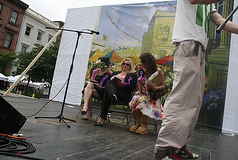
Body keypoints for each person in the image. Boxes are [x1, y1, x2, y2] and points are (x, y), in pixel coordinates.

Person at [153, 0, 238, 160]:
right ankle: (165, 149)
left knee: (193, 101)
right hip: (188, 44)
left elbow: (220, 21)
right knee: (182, 98)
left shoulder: (208, 5)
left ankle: (178, 147)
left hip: (199, 48)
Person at [129, 52, 166, 135]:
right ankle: (137, 123)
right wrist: (139, 90)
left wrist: (155, 87)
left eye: (143, 62)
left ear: (148, 62)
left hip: (153, 96)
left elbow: (163, 86)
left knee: (142, 101)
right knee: (136, 98)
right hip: (144, 93)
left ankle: (144, 126)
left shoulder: (158, 71)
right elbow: (140, 82)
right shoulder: (142, 70)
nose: (141, 64)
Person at [94, 58, 138, 126]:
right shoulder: (115, 73)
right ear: (121, 64)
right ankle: (112, 95)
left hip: (123, 93)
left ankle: (102, 118)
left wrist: (124, 85)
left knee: (107, 92)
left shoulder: (133, 75)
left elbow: (132, 88)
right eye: (124, 63)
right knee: (109, 82)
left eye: (127, 64)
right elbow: (109, 84)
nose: (125, 65)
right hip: (113, 91)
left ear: (130, 66)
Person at [81, 56, 112, 120]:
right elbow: (93, 80)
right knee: (89, 85)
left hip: (102, 91)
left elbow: (109, 85)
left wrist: (101, 86)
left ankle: (88, 110)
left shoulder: (109, 73)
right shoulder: (95, 71)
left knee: (87, 90)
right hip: (93, 88)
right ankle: (86, 107)